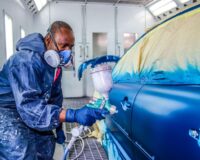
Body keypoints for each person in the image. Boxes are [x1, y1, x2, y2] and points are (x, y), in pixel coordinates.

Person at [0, 21, 108, 160]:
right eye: (64, 45)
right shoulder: (25, 61)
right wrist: (72, 115)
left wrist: (58, 126)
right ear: (48, 39)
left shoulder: (54, 65)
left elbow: (54, 98)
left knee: (46, 144)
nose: (68, 51)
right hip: (6, 111)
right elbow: (29, 106)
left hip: (30, 110)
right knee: (21, 152)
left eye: (71, 46)